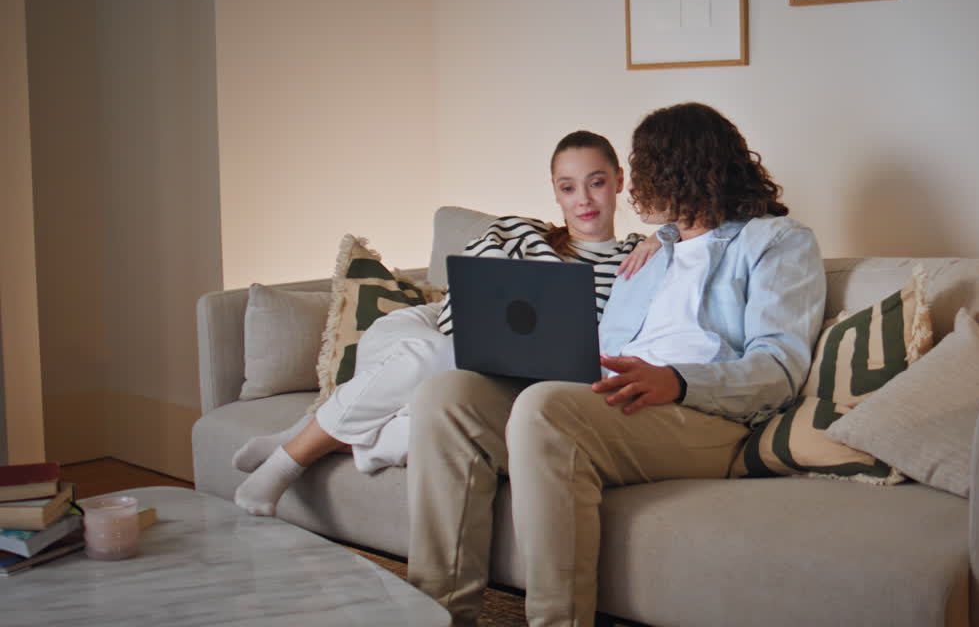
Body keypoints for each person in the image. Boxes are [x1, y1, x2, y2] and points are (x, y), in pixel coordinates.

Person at [407, 102, 827, 626]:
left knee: (546, 409)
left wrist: (675, 381)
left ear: (682, 171)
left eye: (643, 170)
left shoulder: (777, 243)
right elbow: (600, 346)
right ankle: (435, 613)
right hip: (614, 402)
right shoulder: (648, 254)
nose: (630, 190)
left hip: (706, 418)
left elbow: (778, 371)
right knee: (447, 397)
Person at [232, 130, 659, 517]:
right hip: (431, 330)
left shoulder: (637, 259)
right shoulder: (519, 234)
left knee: (434, 426)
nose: (583, 199)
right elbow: (461, 312)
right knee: (438, 356)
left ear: (620, 181)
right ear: (556, 193)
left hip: (501, 372)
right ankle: (287, 461)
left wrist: (665, 235)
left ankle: (311, 433)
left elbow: (690, 240)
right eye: (568, 187)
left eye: (596, 182)